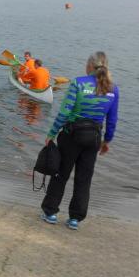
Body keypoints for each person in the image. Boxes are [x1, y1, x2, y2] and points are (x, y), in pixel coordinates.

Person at [41, 51, 119, 230]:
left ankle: (50, 213)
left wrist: (52, 133)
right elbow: (112, 120)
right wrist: (106, 141)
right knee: (84, 179)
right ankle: (75, 218)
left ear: (90, 65)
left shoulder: (78, 83)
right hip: (94, 139)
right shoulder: (113, 89)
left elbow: (65, 112)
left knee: (61, 174)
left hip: (71, 136)